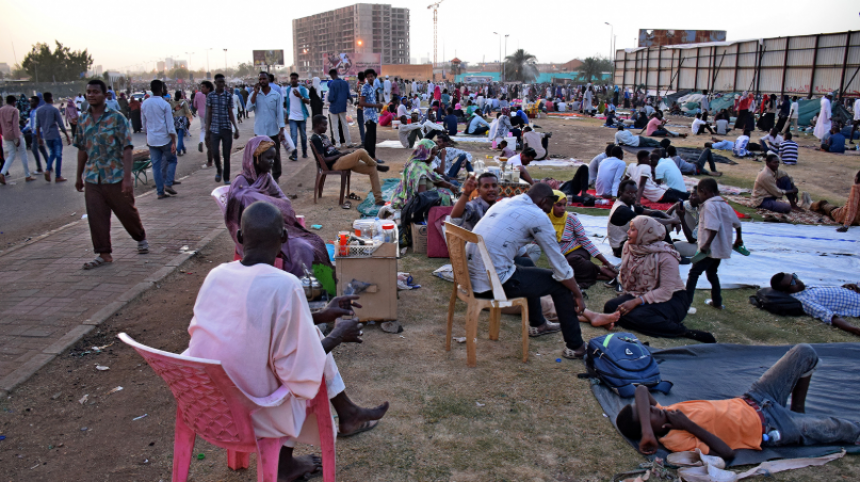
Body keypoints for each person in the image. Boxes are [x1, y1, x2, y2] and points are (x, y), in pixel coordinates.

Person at [186, 200, 389, 481]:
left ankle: (348, 412)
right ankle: (283, 466)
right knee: (307, 366)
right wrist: (337, 336)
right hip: (251, 409)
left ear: (240, 237)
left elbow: (257, 325)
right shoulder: (284, 284)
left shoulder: (217, 275)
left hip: (205, 403)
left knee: (310, 332)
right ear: (284, 238)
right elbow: (298, 371)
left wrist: (320, 315)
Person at [617, 344, 860, 460]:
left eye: (650, 406)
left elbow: (639, 389)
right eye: (651, 414)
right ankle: (796, 418)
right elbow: (727, 454)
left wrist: (648, 428)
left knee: (804, 353)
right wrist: (687, 424)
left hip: (757, 398)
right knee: (845, 428)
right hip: (774, 427)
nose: (654, 407)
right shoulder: (676, 438)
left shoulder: (664, 414)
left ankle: (797, 409)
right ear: (656, 430)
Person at [469, 184, 589, 358]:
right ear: (543, 201)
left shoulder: (504, 203)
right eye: (548, 208)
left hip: (470, 279)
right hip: (490, 285)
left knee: (526, 263)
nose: (548, 213)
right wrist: (576, 292)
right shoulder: (537, 215)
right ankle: (576, 346)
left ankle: (538, 323)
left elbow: (506, 241)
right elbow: (559, 264)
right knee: (561, 285)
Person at [226, 136, 332, 278]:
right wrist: (261, 202)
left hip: (276, 226)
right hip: (257, 236)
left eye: (274, 158)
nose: (272, 162)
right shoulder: (241, 183)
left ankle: (321, 286)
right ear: (255, 158)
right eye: (269, 158)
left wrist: (262, 202)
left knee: (316, 242)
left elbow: (285, 204)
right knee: (303, 249)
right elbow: (235, 217)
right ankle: (302, 286)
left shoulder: (265, 178)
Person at [74, 79, 149, 269]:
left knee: (126, 211)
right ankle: (103, 253)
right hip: (93, 176)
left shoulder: (117, 119)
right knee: (96, 215)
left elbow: (127, 149)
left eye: (95, 92)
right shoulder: (83, 120)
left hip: (115, 176)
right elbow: (82, 149)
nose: (91, 95)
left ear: (105, 95)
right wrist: (78, 176)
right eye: (88, 92)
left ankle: (140, 237)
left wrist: (126, 178)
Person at [603, 215, 715, 342]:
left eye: (633, 229)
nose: (628, 233)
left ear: (646, 232)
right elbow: (627, 276)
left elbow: (666, 291)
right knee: (611, 306)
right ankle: (637, 320)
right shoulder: (629, 247)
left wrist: (635, 302)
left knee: (641, 315)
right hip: (642, 292)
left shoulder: (666, 256)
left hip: (672, 298)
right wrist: (632, 299)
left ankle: (683, 332)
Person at [685, 178, 742, 310]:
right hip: (720, 249)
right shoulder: (725, 205)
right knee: (712, 273)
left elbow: (713, 226)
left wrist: (706, 245)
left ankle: (686, 303)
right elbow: (737, 224)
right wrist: (739, 238)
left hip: (709, 249)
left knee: (694, 273)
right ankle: (717, 301)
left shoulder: (708, 206)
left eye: (698, 194)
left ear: (705, 192)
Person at [310, 115, 388, 206]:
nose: (326, 127)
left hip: (342, 160)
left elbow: (332, 150)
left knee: (372, 170)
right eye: (324, 125)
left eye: (326, 125)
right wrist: (341, 154)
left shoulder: (323, 136)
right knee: (361, 152)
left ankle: (378, 199)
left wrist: (346, 154)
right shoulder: (315, 138)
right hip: (335, 164)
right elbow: (324, 159)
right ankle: (376, 165)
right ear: (317, 125)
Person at [549, 190, 618, 287]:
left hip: (577, 252)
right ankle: (598, 274)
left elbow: (585, 241)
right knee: (560, 271)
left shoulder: (571, 218)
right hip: (559, 257)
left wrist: (606, 262)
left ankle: (599, 270)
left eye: (564, 205)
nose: (563, 208)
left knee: (571, 262)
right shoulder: (544, 220)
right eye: (559, 205)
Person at [608, 180, 681, 257]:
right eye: (629, 193)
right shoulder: (621, 209)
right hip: (621, 248)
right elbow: (649, 221)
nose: (633, 196)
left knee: (656, 217)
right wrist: (673, 220)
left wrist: (672, 219)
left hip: (630, 240)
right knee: (656, 226)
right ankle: (672, 251)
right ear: (620, 193)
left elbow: (653, 212)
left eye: (635, 192)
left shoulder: (628, 204)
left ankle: (670, 249)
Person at [390, 139, 458, 210]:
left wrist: (450, 186)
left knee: (443, 191)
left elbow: (435, 178)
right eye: (431, 153)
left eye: (435, 154)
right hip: (410, 203)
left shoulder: (421, 163)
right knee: (444, 196)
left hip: (403, 199)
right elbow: (421, 196)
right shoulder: (419, 168)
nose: (433, 157)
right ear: (424, 152)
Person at [140, 80, 179, 199]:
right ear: (162, 89)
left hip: (152, 140)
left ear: (151, 89)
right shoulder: (164, 104)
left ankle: (160, 192)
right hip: (165, 138)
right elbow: (170, 126)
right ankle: (168, 183)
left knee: (156, 166)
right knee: (172, 160)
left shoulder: (145, 104)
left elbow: (144, 124)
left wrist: (148, 135)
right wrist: (173, 141)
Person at [246, 71, 286, 181]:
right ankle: (260, 176)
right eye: (260, 79)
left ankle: (276, 176)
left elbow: (279, 113)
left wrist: (281, 128)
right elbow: (248, 108)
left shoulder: (276, 95)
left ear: (269, 80)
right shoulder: (255, 94)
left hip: (273, 131)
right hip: (259, 131)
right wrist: (254, 93)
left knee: (275, 155)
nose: (262, 81)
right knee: (258, 156)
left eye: (264, 79)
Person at [206, 74, 241, 184]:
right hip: (215, 129)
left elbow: (230, 112)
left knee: (226, 155)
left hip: (226, 128)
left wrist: (235, 128)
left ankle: (226, 178)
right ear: (215, 83)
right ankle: (219, 169)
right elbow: (209, 114)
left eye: (222, 81)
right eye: (219, 82)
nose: (221, 84)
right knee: (215, 152)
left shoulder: (228, 96)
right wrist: (207, 131)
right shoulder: (211, 96)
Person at [33, 92, 71, 183]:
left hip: (46, 135)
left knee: (52, 153)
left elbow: (37, 126)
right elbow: (61, 125)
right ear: (51, 99)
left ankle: (47, 169)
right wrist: (67, 136)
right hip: (55, 135)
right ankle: (58, 176)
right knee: (58, 155)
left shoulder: (39, 110)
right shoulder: (54, 110)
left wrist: (39, 138)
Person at [0, 95, 35, 184]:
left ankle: (2, 173)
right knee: (23, 154)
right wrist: (17, 137)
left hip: (6, 135)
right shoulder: (15, 110)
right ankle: (27, 175)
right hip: (15, 134)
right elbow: (15, 125)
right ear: (13, 102)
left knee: (11, 155)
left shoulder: (1, 110)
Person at [284, 73, 311, 161]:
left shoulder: (302, 89)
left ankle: (304, 152)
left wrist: (300, 96)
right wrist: (286, 116)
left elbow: (308, 101)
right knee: (293, 136)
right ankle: (294, 155)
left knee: (303, 136)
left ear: (297, 79)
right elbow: (287, 104)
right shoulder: (288, 89)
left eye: (295, 78)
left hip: (302, 117)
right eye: (292, 78)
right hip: (292, 117)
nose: (293, 80)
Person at [326, 69, 354, 149]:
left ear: (331, 75)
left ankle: (338, 144)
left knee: (335, 127)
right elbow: (348, 95)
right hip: (342, 107)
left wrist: (329, 98)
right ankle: (348, 142)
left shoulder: (333, 84)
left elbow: (331, 98)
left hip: (334, 108)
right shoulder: (345, 83)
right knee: (344, 125)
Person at [359, 69, 383, 161]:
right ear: (366, 78)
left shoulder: (372, 87)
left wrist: (377, 106)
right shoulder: (365, 87)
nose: (370, 78)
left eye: (371, 76)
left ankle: (366, 157)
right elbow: (361, 102)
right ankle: (372, 157)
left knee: (370, 137)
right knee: (371, 138)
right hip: (368, 116)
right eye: (368, 76)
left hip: (373, 116)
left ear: (374, 77)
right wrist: (375, 105)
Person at [172, 90, 192, 156]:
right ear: (181, 95)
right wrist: (189, 117)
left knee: (179, 135)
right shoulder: (183, 102)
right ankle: (178, 150)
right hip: (181, 119)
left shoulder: (171, 102)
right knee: (180, 136)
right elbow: (187, 110)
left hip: (174, 120)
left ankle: (183, 148)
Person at [193, 81, 210, 155]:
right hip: (208, 113)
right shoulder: (209, 95)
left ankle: (201, 141)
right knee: (209, 129)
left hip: (200, 113)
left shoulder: (197, 94)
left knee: (202, 128)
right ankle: (208, 143)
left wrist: (199, 108)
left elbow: (194, 105)